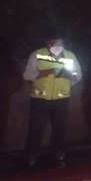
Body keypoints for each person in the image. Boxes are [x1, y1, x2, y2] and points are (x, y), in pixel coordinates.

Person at [22, 35, 82, 167]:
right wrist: (42, 73)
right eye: (52, 41)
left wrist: (69, 77)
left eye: (58, 41)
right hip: (40, 99)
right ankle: (31, 156)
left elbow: (78, 75)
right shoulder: (37, 54)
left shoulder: (70, 56)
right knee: (36, 129)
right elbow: (27, 75)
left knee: (59, 129)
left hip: (61, 99)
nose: (55, 44)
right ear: (47, 42)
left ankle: (57, 155)